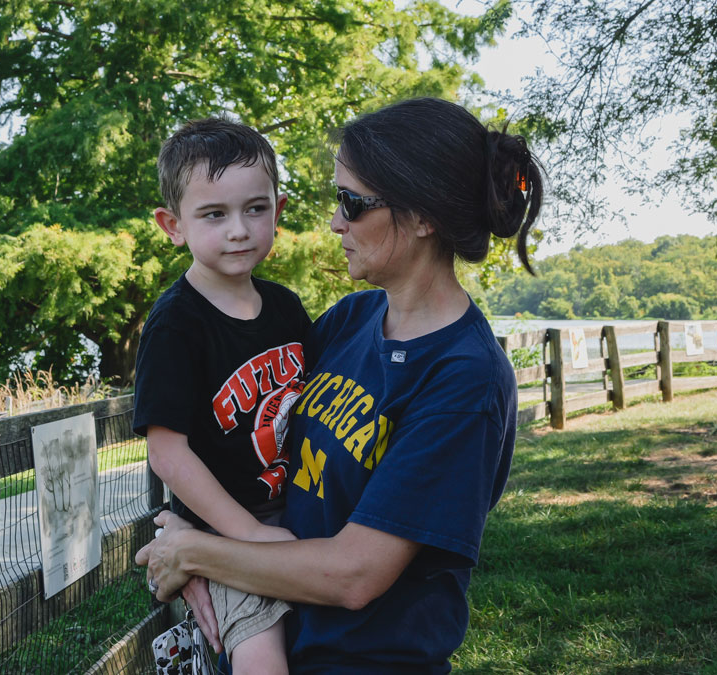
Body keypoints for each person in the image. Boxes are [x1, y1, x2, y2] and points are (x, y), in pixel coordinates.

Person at [136, 97, 544, 673]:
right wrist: (191, 532)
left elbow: (355, 575)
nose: (334, 223)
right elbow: (210, 432)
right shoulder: (348, 322)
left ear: (424, 216)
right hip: (275, 633)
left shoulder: (464, 378)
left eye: (351, 204)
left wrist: (198, 553)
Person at [132, 118, 313, 674]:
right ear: (173, 224)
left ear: (277, 211)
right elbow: (167, 452)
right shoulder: (175, 325)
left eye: (255, 209)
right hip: (223, 530)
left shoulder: (286, 309)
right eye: (214, 214)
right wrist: (249, 535)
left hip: (298, 510)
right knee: (262, 654)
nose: (239, 229)